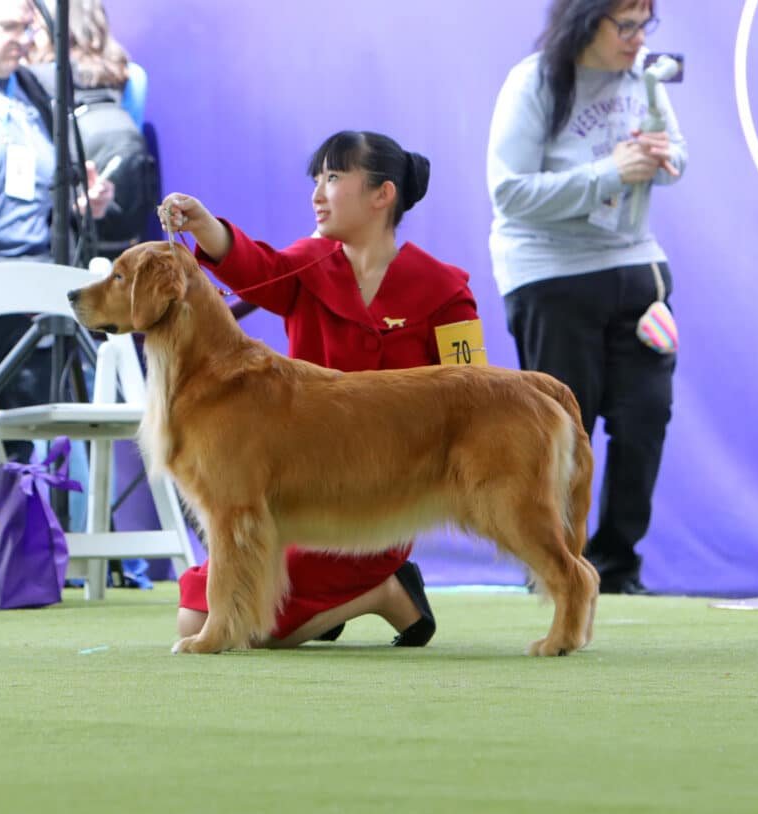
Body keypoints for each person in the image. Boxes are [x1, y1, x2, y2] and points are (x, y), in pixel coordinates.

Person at [160, 130, 479, 647]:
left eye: (332, 177)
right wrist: (204, 225)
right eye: (316, 179)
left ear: (383, 194)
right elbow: (255, 267)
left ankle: (383, 588)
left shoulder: (446, 290)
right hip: (301, 509)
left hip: (379, 508)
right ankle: (359, 599)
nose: (317, 194)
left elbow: (474, 389)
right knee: (195, 615)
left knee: (242, 628)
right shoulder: (306, 266)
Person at [486, 0, 686, 594]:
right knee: (562, 433)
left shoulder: (644, 76)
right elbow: (509, 192)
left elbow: (677, 153)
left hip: (636, 267)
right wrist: (608, 172)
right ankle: (555, 567)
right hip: (550, 274)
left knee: (646, 418)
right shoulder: (534, 81)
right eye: (625, 25)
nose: (638, 37)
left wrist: (661, 158)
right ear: (584, 20)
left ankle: (618, 569)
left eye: (645, 24)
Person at [0, 0, 114, 461]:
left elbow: (47, 188)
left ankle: (37, 510)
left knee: (37, 443)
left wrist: (80, 205)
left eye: (29, 28)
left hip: (36, 291)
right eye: (10, 27)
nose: (24, 40)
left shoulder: (32, 89)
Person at [27, 0, 158, 257]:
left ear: (55, 28)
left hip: (62, 228)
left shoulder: (35, 77)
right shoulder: (131, 75)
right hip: (125, 231)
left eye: (37, 28)